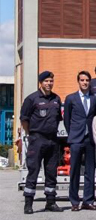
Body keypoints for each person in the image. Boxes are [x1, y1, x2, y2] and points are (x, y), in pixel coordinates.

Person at [21, 70, 64, 214]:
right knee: (33, 171)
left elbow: (58, 119)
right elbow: (24, 119)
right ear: (41, 82)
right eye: (46, 81)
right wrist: (30, 135)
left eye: (51, 81)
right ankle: (28, 203)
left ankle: (50, 202)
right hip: (37, 139)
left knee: (51, 172)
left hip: (53, 140)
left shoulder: (56, 99)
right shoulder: (31, 99)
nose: (49, 83)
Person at [64, 70, 96, 212]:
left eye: (87, 80)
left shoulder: (94, 98)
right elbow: (67, 119)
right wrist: (72, 134)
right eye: (82, 80)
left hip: (90, 138)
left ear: (90, 82)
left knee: (90, 170)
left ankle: (88, 200)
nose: (85, 83)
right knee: (75, 171)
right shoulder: (70, 98)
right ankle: (74, 201)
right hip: (76, 138)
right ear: (78, 81)